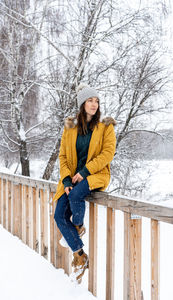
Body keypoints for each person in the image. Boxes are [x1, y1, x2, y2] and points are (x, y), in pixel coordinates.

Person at [53, 83, 116, 283]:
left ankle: (78, 226)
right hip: (71, 178)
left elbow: (108, 154)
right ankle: (80, 256)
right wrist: (65, 179)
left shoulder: (106, 127)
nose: (94, 104)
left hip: (95, 174)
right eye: (90, 100)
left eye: (96, 101)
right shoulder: (70, 127)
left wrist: (85, 172)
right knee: (59, 215)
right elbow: (63, 156)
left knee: (76, 194)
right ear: (82, 104)